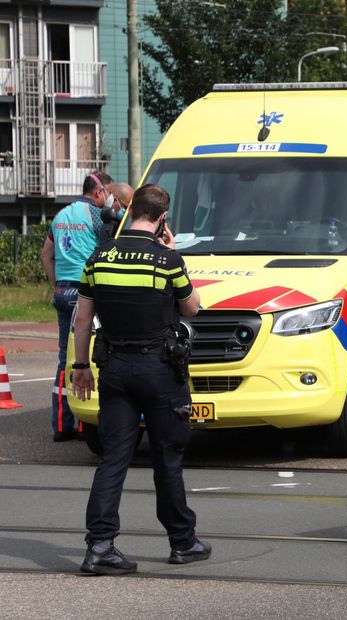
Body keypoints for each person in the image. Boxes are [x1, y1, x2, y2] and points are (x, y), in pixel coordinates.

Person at [70, 184, 210, 575]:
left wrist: (81, 368)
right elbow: (193, 308)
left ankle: (99, 546)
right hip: (160, 371)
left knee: (113, 457)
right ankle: (182, 542)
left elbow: (83, 320)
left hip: (114, 368)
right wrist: (173, 252)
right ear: (162, 218)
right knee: (167, 457)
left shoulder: (100, 257)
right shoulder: (166, 259)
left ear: (131, 211)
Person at [40, 170, 112, 442]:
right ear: (98, 192)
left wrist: (56, 284)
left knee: (63, 359)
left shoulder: (60, 216)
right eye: (109, 193)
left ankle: (61, 424)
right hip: (85, 293)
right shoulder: (96, 215)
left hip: (62, 290)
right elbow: (106, 252)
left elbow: (46, 255)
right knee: (88, 355)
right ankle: (85, 424)